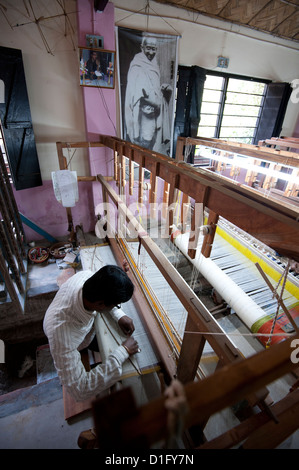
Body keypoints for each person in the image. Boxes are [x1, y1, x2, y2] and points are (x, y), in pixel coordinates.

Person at [43, 264, 139, 402]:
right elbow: (80, 390)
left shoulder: (87, 277)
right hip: (74, 341)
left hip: (82, 332)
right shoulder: (62, 334)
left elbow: (104, 295)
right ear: (100, 304)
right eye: (116, 305)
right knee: (115, 350)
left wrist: (119, 314)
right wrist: (123, 352)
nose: (116, 307)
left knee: (108, 341)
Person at [124, 35, 172, 155]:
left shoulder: (154, 63)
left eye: (154, 49)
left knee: (152, 142)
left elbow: (152, 87)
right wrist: (154, 98)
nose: (151, 52)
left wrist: (161, 91)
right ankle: (140, 168)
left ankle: (147, 170)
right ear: (142, 47)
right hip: (142, 112)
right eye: (149, 48)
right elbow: (137, 91)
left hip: (154, 112)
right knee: (144, 141)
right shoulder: (137, 64)